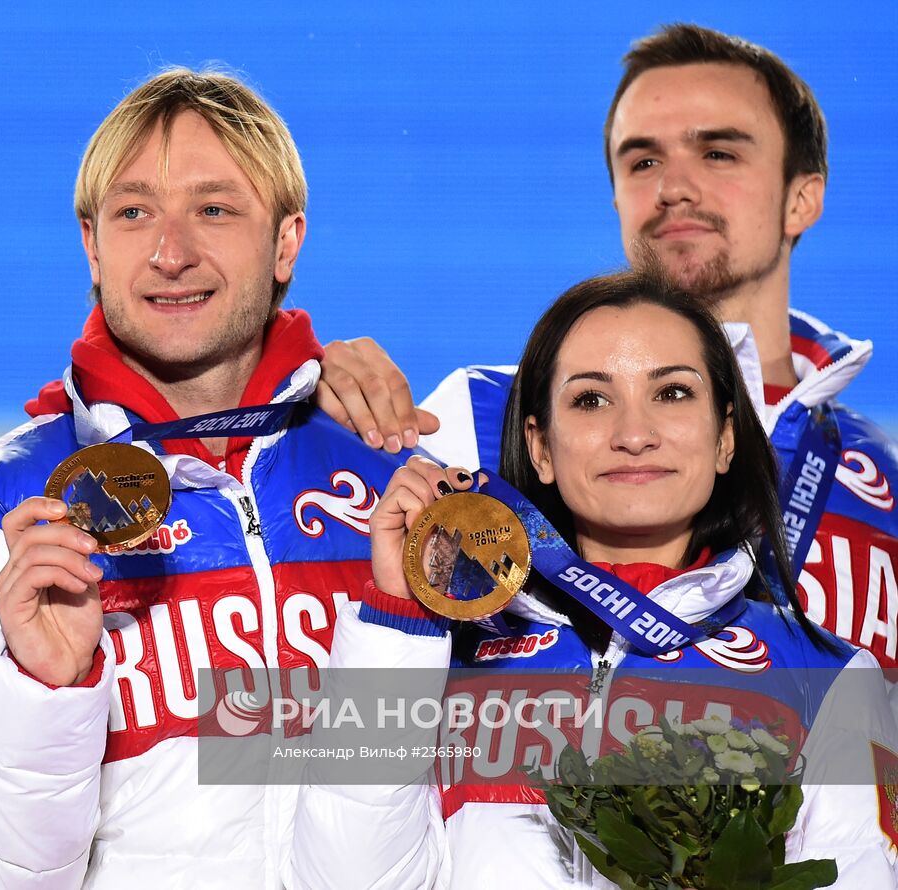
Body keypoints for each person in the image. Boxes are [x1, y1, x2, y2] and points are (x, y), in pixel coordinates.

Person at [0, 68, 408, 888]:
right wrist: (40, 690)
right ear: (92, 245)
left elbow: (468, 801)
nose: (172, 254)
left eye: (214, 209)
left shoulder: (393, 479)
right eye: (135, 213)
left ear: (286, 243)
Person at [315, 23, 898, 670]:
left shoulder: (881, 474)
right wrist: (294, 400)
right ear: (616, 195)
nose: (674, 186)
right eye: (643, 160)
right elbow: (342, 702)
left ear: (802, 198)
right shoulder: (479, 418)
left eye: (719, 154)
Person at [292, 268, 898, 888]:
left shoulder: (826, 678)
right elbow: (343, 879)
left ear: (724, 438)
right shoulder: (449, 651)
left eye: (673, 394)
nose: (634, 435)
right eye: (591, 399)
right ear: (541, 448)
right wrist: (400, 618)